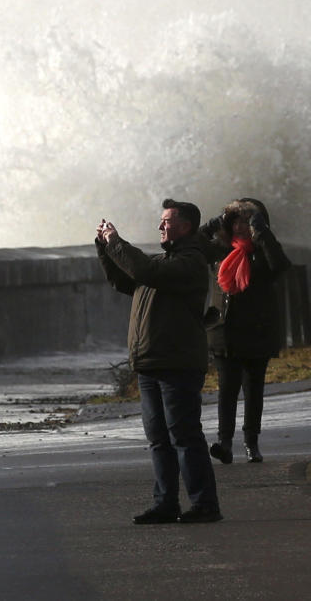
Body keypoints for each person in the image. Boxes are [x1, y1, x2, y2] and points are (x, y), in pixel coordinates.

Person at [96, 199, 222, 524]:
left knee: (184, 436)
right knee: (158, 439)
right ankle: (166, 502)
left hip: (176, 363)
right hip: (152, 363)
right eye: (162, 221)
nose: (160, 226)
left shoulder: (190, 263)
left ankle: (205, 504)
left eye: (167, 221)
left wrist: (117, 242)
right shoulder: (165, 262)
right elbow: (126, 281)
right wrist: (105, 249)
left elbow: (144, 271)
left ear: (186, 227)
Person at [200, 197, 291, 464]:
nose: (240, 226)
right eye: (235, 220)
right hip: (224, 331)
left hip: (257, 330)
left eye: (246, 220)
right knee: (227, 389)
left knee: (254, 389)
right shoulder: (219, 249)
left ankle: (252, 441)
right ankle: (224, 442)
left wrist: (262, 232)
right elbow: (190, 247)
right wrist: (208, 227)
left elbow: (280, 266)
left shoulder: (263, 250)